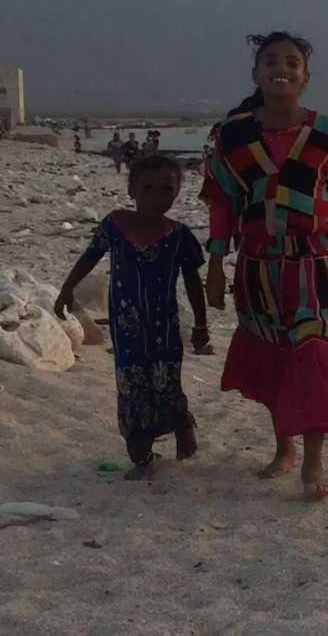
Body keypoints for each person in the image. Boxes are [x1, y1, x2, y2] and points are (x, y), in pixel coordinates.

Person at [205, 32, 328, 502]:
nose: (282, 68)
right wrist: (216, 262)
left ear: (305, 78)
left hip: (314, 262)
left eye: (292, 62)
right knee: (275, 358)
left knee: (315, 352)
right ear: (256, 75)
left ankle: (313, 458)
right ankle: (284, 448)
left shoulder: (327, 132)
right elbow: (222, 199)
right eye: (271, 61)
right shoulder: (231, 135)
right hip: (257, 266)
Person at [53, 154, 209, 481]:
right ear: (132, 189)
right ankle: (142, 456)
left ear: (177, 192)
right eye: (148, 189)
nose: (157, 197)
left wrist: (200, 325)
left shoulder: (178, 235)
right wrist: (67, 289)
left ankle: (182, 425)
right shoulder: (115, 225)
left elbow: (194, 283)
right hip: (126, 328)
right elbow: (90, 257)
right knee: (132, 386)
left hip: (164, 326)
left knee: (167, 381)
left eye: (166, 190)